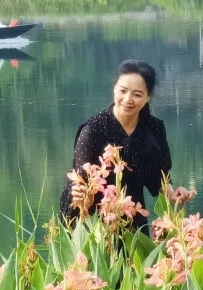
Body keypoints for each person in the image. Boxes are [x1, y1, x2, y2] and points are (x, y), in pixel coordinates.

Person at [59, 59, 171, 231]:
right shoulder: (93, 130)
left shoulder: (154, 128)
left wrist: (172, 192)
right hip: (93, 219)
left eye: (137, 94)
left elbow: (158, 177)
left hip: (133, 219)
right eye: (123, 91)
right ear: (114, 88)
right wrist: (84, 199)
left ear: (149, 96)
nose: (128, 99)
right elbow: (81, 183)